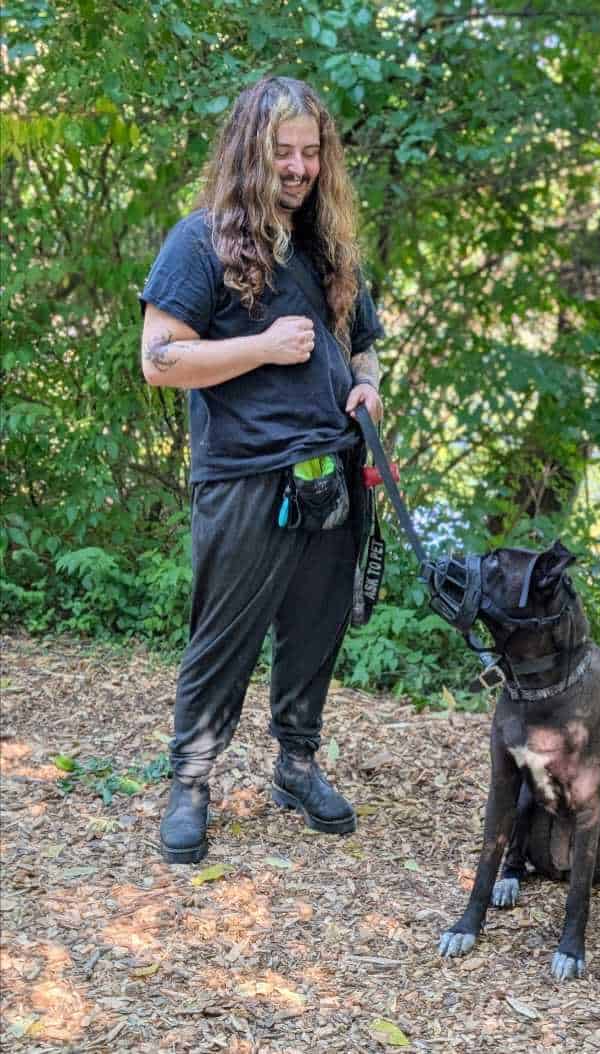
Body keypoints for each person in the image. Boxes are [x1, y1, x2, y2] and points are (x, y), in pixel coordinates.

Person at [139, 76, 383, 864]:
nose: (299, 167)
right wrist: (263, 347)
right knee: (223, 638)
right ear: (250, 150)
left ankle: (297, 764)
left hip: (331, 471)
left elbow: (365, 346)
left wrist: (369, 388)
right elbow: (158, 359)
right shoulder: (200, 241)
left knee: (315, 631)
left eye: (311, 151)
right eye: (283, 151)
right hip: (244, 476)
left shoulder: (329, 244)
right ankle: (190, 782)